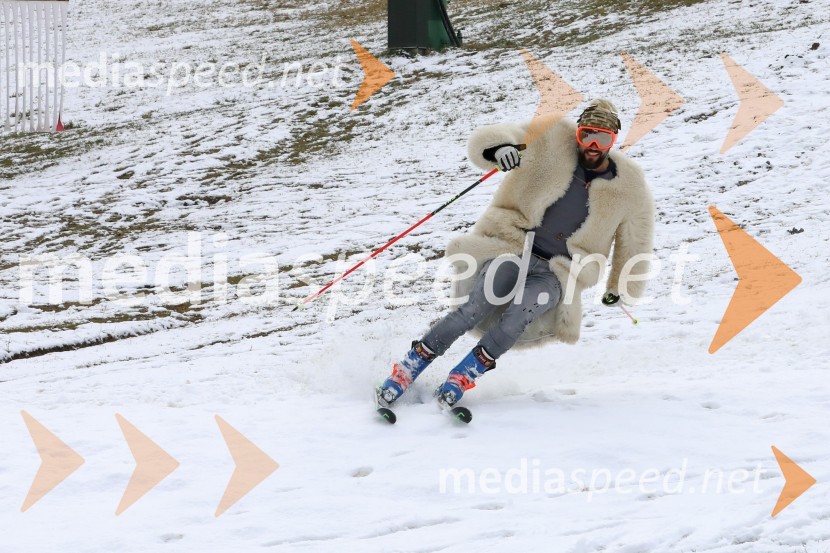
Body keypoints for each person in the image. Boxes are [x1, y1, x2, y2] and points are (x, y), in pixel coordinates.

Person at [376, 99, 655, 409]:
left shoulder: (629, 186)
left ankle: (463, 375)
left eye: (603, 138)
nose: (593, 145)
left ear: (613, 141)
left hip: (558, 272)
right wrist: (499, 150)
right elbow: (499, 135)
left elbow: (636, 239)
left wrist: (621, 287)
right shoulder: (551, 140)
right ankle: (408, 368)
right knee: (474, 308)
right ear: (577, 132)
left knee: (516, 318)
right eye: (586, 134)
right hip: (513, 250)